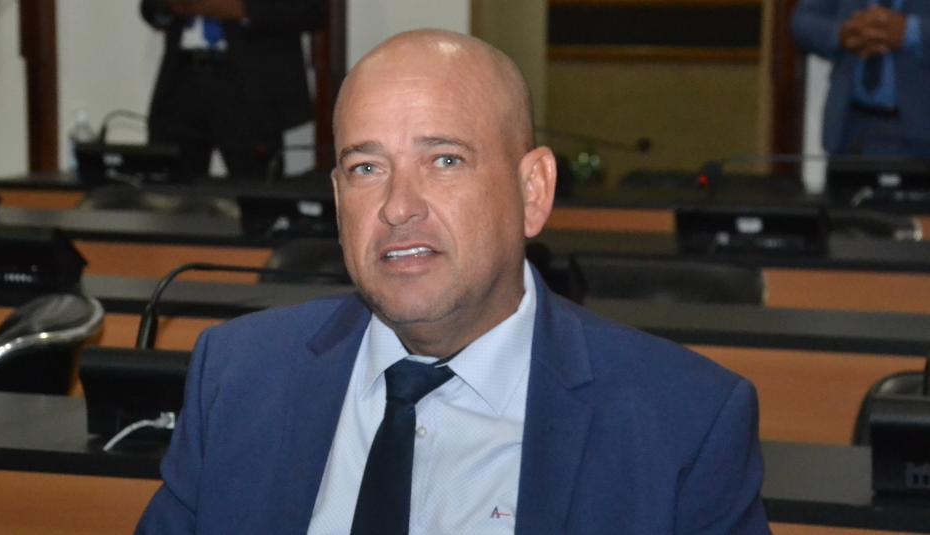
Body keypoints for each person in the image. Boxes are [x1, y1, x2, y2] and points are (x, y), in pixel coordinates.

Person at [136, 30, 770, 534]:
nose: (398, 206)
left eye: (444, 160)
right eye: (365, 168)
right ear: (337, 199)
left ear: (533, 191)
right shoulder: (239, 375)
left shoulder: (684, 424)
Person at [139, 0, 324, 179]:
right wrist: (169, 5)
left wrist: (242, 9)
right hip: (182, 78)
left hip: (250, 85)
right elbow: (150, 7)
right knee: (168, 187)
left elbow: (312, 10)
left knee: (255, 188)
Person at [792, 0, 930, 158]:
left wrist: (910, 31)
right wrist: (841, 34)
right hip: (850, 130)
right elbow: (802, 21)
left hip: (921, 133)